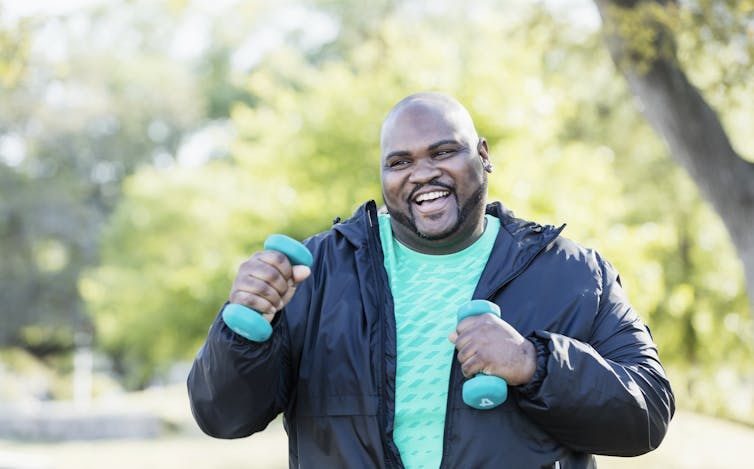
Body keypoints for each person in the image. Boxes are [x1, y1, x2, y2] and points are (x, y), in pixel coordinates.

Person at [187, 92, 675, 468]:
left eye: (443, 152)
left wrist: (534, 363)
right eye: (399, 162)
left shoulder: (571, 273)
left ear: (483, 155)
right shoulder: (316, 271)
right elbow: (223, 416)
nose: (422, 174)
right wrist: (246, 327)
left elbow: (647, 413)